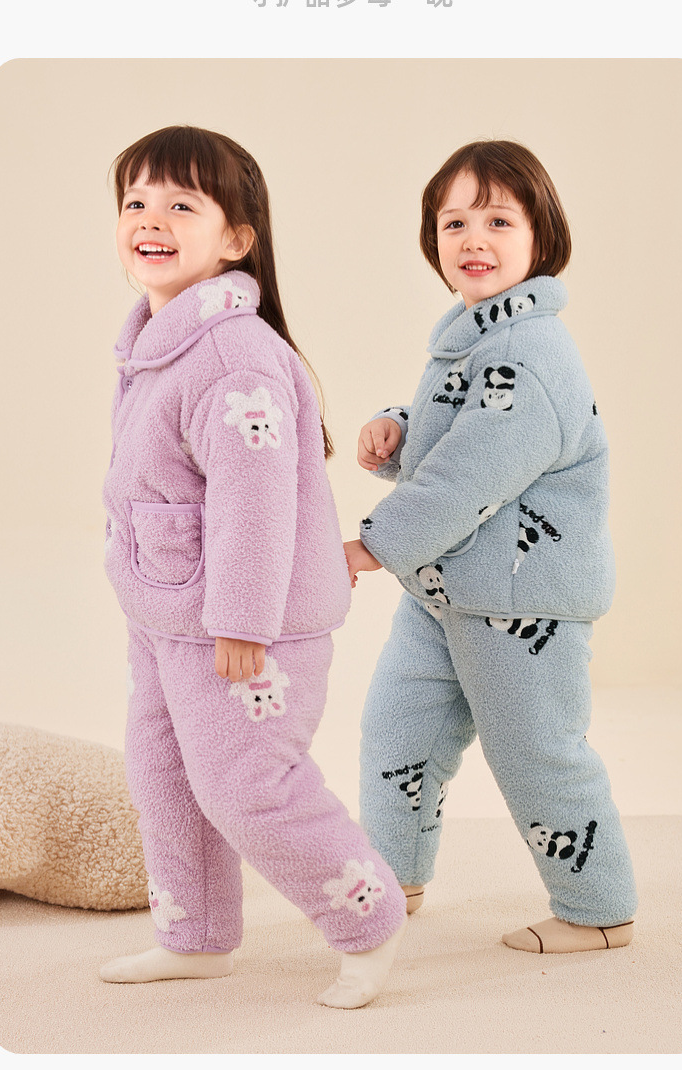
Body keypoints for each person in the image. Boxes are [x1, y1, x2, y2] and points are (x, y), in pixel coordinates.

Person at [99, 125, 406, 1006]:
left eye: (181, 205)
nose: (150, 219)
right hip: (166, 612)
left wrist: (242, 620)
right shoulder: (156, 342)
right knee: (164, 775)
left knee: (248, 786)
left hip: (243, 627)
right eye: (135, 202)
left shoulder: (233, 356)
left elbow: (255, 498)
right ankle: (194, 935)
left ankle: (369, 921)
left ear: (236, 238)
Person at [345, 139, 637, 954]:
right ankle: (392, 878)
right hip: (443, 592)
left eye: (499, 221)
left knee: (536, 753)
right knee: (396, 733)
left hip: (519, 603)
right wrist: (397, 429)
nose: (474, 238)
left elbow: (471, 474)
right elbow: (456, 431)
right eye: (454, 223)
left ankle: (599, 909)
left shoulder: (530, 350)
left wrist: (372, 545)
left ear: (541, 238)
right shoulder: (475, 337)